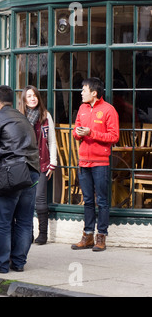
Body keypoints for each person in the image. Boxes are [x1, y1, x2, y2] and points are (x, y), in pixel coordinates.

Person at [0, 85, 40, 273]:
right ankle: (18, 262)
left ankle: (0, 263)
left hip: (10, 173)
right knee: (24, 221)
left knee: (3, 221)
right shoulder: (23, 118)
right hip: (31, 171)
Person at [71, 77, 119, 252]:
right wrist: (79, 133)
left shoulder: (109, 110)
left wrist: (92, 133)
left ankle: (101, 236)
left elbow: (114, 137)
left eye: (84, 90)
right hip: (84, 161)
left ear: (94, 93)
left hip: (100, 162)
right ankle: (88, 236)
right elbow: (76, 130)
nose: (81, 93)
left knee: (102, 201)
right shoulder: (82, 109)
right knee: (88, 201)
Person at [19, 85, 57, 245]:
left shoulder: (45, 116)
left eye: (34, 95)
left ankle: (43, 235)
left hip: (42, 162)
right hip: (23, 164)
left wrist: (53, 163)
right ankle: (28, 234)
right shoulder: (19, 117)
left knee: (40, 199)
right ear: (24, 99)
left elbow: (52, 140)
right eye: (29, 96)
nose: (33, 98)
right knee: (25, 201)